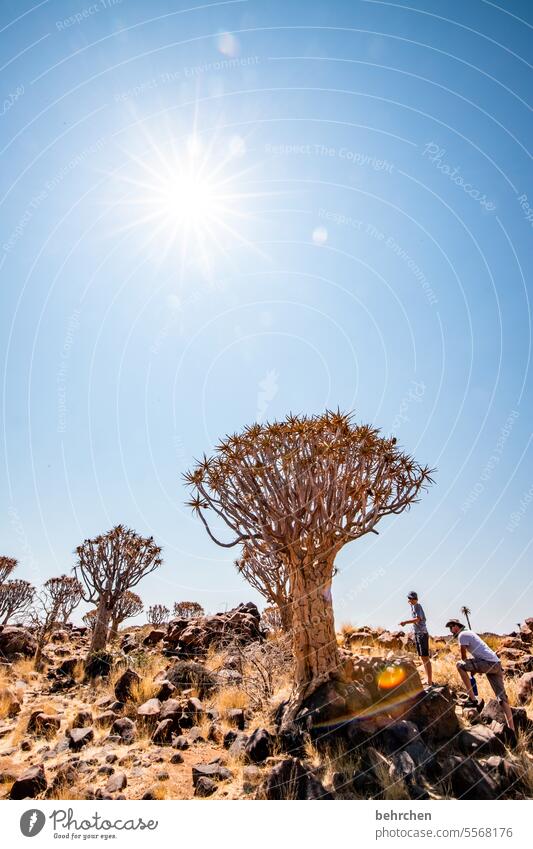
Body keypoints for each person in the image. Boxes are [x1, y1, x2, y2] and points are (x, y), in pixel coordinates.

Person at [445, 618, 515, 732]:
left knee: (459, 665)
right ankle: (512, 730)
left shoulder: (462, 635)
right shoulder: (470, 633)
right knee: (502, 699)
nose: (450, 630)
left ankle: (472, 699)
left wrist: (472, 668)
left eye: (451, 627)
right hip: (496, 664)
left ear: (457, 626)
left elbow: (463, 658)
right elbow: (480, 653)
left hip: (488, 664)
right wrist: (475, 669)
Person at [400, 590, 433, 686]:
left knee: (425, 657)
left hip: (422, 634)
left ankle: (430, 681)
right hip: (418, 634)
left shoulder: (417, 606)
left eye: (410, 599)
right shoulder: (413, 607)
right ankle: (428, 680)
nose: (409, 600)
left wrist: (405, 622)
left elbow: (418, 619)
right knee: (423, 657)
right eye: (409, 599)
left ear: (414, 599)